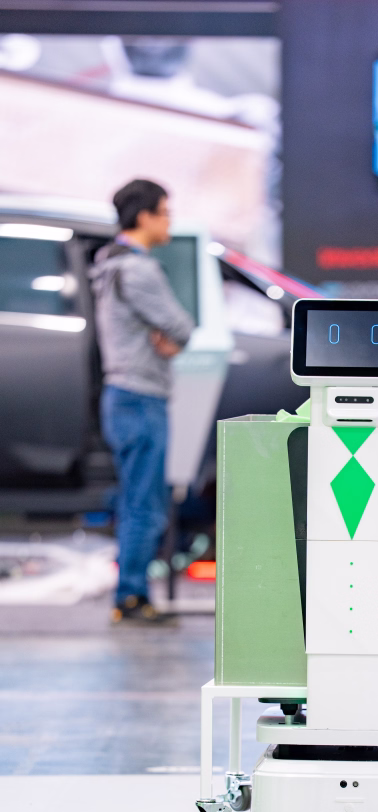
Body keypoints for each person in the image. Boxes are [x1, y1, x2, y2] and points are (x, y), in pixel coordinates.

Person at [90, 179, 194, 623]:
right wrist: (171, 337)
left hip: (122, 396)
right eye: (165, 212)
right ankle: (131, 596)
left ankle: (131, 593)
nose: (170, 220)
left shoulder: (107, 262)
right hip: (141, 396)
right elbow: (182, 327)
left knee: (136, 500)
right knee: (144, 505)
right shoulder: (138, 270)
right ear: (144, 216)